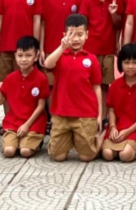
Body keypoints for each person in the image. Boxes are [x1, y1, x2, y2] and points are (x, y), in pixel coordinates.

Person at [44, 13, 103, 162]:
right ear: (64, 35)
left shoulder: (91, 59)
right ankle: (68, 140)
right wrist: (61, 47)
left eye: (80, 34)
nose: (76, 39)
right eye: (71, 34)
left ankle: (101, 137)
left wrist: (99, 115)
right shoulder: (60, 56)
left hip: (85, 114)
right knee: (57, 156)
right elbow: (47, 64)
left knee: (86, 157)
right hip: (61, 113)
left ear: (87, 35)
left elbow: (97, 87)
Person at [0, 36, 48, 158]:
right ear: (15, 56)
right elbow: (0, 101)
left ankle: (36, 141)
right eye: (20, 55)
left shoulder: (41, 78)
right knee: (9, 152)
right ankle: (19, 139)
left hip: (34, 122)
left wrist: (27, 125)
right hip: (13, 121)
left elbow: (41, 106)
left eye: (28, 55)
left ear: (36, 56)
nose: (23, 59)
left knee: (25, 151)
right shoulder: (10, 78)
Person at [101, 43, 136, 163]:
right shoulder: (115, 85)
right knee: (107, 154)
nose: (130, 66)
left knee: (125, 155)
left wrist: (128, 131)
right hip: (118, 128)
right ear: (120, 63)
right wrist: (112, 127)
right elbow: (111, 109)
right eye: (126, 62)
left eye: (135, 62)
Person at [83, 0, 121, 90]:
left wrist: (113, 14)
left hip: (108, 49)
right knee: (89, 83)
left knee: (105, 85)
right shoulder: (87, 1)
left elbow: (118, 24)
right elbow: (83, 26)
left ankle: (103, 105)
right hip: (90, 49)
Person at [40, 0, 85, 67]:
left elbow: (81, 28)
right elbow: (42, 25)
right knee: (49, 77)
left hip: (71, 50)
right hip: (50, 50)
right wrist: (41, 49)